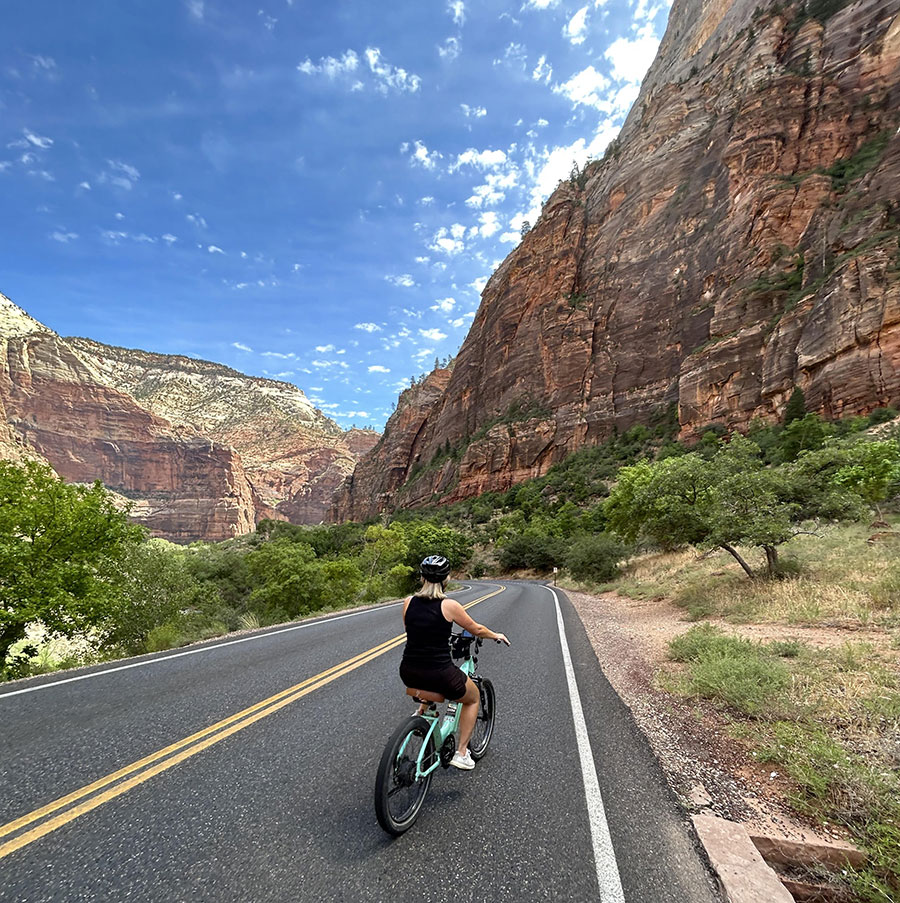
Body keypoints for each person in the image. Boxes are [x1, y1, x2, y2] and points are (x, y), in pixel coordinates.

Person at [399, 555, 510, 770]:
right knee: (472, 697)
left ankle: (422, 711)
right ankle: (461, 753)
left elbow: (414, 631)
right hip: (439, 674)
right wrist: (495, 634)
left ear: (422, 577)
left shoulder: (408, 602)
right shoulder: (449, 605)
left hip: (408, 670)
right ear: (446, 579)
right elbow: (476, 629)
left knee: (426, 674)